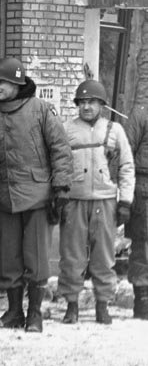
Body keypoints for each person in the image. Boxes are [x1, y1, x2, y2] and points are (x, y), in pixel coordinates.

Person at [0, 57, 73, 333]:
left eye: (1, 82)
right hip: (4, 196)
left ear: (17, 83)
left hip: (39, 196)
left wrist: (61, 188)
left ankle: (35, 314)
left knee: (36, 256)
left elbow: (61, 149)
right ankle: (14, 311)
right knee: (9, 258)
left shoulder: (41, 110)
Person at [58, 80, 135, 325]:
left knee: (104, 256)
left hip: (105, 201)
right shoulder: (67, 130)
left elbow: (126, 167)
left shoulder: (115, 130)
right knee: (72, 256)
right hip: (74, 201)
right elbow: (58, 164)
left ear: (101, 104)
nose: (86, 106)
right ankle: (71, 306)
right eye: (82, 102)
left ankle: (103, 305)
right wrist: (57, 195)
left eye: (91, 102)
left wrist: (125, 201)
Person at [124, 103, 148, 320]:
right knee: (143, 246)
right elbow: (125, 153)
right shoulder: (141, 113)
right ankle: (142, 302)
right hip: (144, 188)